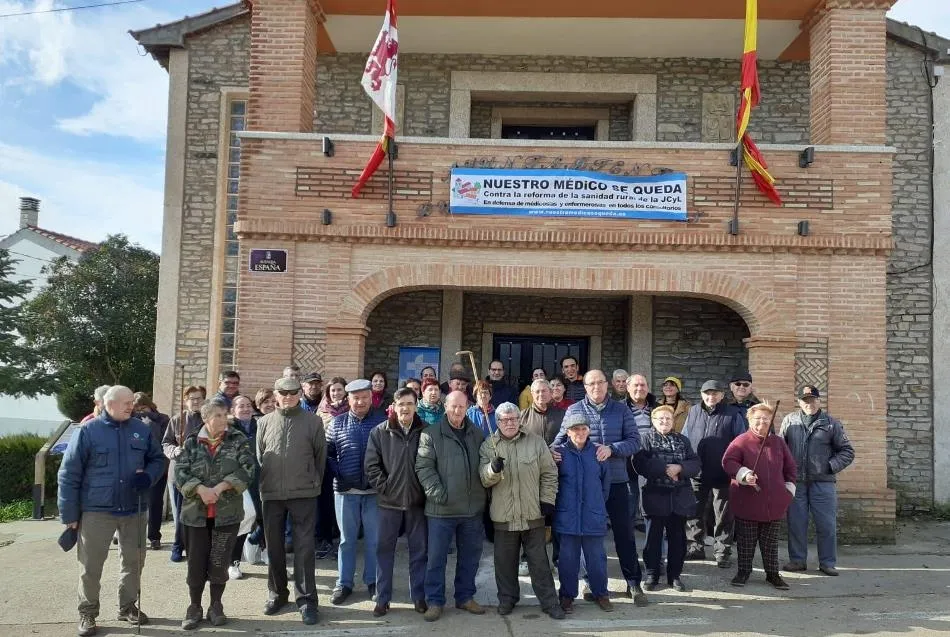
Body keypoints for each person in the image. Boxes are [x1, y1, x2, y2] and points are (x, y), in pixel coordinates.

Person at [58, 385, 165, 636]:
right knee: (91, 566)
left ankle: (127, 607)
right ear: (109, 404)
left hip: (133, 508)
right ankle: (87, 612)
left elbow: (158, 459)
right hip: (97, 510)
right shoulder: (87, 431)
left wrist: (148, 476)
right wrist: (70, 515)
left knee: (134, 562)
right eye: (125, 402)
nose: (132, 406)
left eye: (132, 402)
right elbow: (68, 474)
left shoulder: (141, 429)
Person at [551, 370, 647, 605]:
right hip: (586, 486)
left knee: (625, 533)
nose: (596, 387)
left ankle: (633, 582)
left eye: (600, 383)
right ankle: (589, 582)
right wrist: (552, 452)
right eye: (591, 383)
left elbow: (635, 441)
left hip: (617, 481)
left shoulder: (621, 410)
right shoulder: (574, 410)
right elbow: (560, 440)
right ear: (585, 387)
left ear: (608, 385)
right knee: (584, 534)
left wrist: (612, 448)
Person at [174, 399, 256, 629]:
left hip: (226, 515)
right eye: (218, 415)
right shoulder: (191, 442)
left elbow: (248, 468)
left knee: (219, 562)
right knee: (196, 563)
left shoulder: (237, 440)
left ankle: (216, 605)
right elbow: (180, 472)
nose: (224, 419)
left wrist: (220, 488)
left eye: (225, 414)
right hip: (195, 516)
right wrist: (200, 489)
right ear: (206, 418)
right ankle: (194, 606)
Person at [478, 402, 563, 619]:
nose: (510, 423)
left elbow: (549, 473)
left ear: (520, 420)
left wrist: (547, 500)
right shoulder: (490, 444)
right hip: (503, 516)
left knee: (539, 563)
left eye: (513, 419)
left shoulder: (536, 442)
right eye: (505, 420)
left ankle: (549, 602)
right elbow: (484, 479)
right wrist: (493, 470)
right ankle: (507, 599)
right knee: (504, 564)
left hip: (533, 514)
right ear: (497, 422)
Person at [257, 376, 327, 625]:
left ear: (299, 394)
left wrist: (312, 482)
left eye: (292, 392)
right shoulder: (264, 422)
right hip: (272, 494)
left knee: (304, 549)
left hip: (304, 493)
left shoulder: (313, 421)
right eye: (283, 393)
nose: (288, 397)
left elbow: (320, 457)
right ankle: (277, 594)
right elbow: (259, 457)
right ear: (275, 395)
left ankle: (307, 600)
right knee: (274, 547)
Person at [414, 391, 488, 622]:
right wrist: (439, 495)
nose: (457, 411)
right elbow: (424, 468)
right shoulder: (431, 434)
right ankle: (435, 601)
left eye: (462, 407)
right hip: (441, 510)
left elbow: (485, 466)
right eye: (453, 406)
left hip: (471, 510)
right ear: (445, 406)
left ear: (468, 407)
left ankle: (465, 597)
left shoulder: (477, 434)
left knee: (470, 557)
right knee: (436, 559)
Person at [364, 387, 429, 617]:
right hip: (388, 505)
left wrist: (424, 492)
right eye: (401, 404)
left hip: (417, 504)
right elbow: (371, 467)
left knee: (419, 552)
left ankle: (419, 597)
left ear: (416, 405)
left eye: (410, 403)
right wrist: (386, 488)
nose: (405, 408)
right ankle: (382, 598)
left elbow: (433, 465)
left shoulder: (426, 432)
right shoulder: (379, 433)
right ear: (394, 405)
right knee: (384, 551)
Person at [781, 386, 855, 576]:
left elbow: (847, 451)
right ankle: (797, 560)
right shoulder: (789, 421)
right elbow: (780, 449)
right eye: (805, 400)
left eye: (813, 400)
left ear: (819, 401)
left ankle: (827, 562)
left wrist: (829, 467)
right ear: (799, 402)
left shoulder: (831, 423)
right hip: (796, 482)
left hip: (823, 483)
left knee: (826, 525)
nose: (809, 404)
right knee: (796, 523)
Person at [722, 402, 797, 590]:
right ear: (750, 420)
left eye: (766, 419)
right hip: (747, 501)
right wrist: (745, 474)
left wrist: (789, 489)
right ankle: (744, 571)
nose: (762, 423)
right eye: (757, 419)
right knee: (746, 542)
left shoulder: (778, 442)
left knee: (770, 543)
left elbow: (790, 468)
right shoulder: (741, 440)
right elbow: (728, 462)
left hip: (774, 504)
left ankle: (773, 574)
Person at [326, 379, 387, 605]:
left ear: (371, 398)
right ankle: (344, 584)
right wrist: (339, 477)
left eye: (364, 397)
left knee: (374, 540)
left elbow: (389, 455)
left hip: (374, 492)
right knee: (346, 541)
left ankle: (372, 581)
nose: (360, 402)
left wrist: (381, 481)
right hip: (345, 492)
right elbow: (328, 454)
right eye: (355, 398)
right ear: (348, 399)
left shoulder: (382, 422)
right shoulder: (337, 423)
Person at [632, 405, 700, 592]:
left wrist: (680, 468)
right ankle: (652, 574)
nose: (664, 422)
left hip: (679, 498)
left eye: (668, 419)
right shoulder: (646, 439)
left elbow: (695, 463)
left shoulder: (683, 440)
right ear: (653, 421)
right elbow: (640, 463)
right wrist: (664, 468)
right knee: (653, 540)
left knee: (678, 540)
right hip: (655, 497)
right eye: (660, 419)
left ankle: (675, 576)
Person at [552, 413, 612, 614]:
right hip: (567, 515)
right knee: (568, 560)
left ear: (589, 430)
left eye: (583, 429)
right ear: (568, 432)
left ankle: (601, 593)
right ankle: (567, 596)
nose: (580, 432)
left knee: (596, 558)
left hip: (593, 513)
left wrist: (596, 505)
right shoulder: (558, 454)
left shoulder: (598, 453)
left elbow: (606, 484)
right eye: (575, 429)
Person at [681, 380, 746, 567]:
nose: (711, 397)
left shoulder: (733, 414)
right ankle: (695, 548)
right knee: (694, 512)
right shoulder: (693, 411)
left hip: (722, 473)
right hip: (697, 472)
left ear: (722, 395)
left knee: (723, 516)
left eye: (715, 394)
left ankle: (722, 552)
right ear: (702, 395)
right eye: (707, 393)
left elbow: (740, 443)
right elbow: (685, 437)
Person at [164, 386, 207, 563]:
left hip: (201, 475)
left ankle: (193, 548)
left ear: (204, 400)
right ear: (185, 400)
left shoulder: (208, 419)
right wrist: (175, 450)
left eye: (198, 398)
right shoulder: (176, 419)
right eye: (191, 398)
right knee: (180, 513)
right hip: (179, 475)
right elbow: (166, 443)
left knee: (197, 514)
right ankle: (177, 546)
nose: (195, 401)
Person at [227, 395, 261, 580]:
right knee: (245, 517)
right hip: (239, 483)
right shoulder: (228, 430)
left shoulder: (260, 425)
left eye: (249, 405)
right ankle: (233, 562)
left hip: (261, 480)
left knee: (266, 519)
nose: (246, 409)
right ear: (233, 410)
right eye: (241, 406)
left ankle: (264, 551)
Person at [314, 376, 348, 558]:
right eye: (333, 390)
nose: (336, 393)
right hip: (325, 463)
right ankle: (325, 540)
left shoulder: (351, 410)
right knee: (325, 504)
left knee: (342, 506)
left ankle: (341, 542)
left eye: (339, 390)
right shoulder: (320, 413)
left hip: (345, 463)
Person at [133, 392, 170, 550]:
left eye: (144, 407)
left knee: (155, 502)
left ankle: (154, 536)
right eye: (137, 409)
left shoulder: (162, 419)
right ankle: (134, 536)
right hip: (136, 467)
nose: (141, 411)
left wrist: (149, 423)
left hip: (157, 467)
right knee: (135, 502)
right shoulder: (131, 420)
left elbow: (161, 441)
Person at [625, 374, 657, 533]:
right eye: (636, 385)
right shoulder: (621, 407)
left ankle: (649, 526)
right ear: (628, 388)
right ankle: (628, 528)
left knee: (649, 494)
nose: (640, 388)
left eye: (643, 385)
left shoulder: (656, 407)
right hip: (627, 456)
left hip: (650, 456)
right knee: (630, 494)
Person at [519, 379, 564, 445]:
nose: (541, 394)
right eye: (537, 391)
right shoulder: (522, 416)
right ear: (532, 394)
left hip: (556, 454)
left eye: (544, 391)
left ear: (551, 392)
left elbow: (568, 439)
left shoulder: (563, 414)